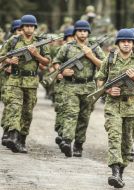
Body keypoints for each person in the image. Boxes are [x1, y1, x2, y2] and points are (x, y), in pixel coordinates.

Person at [96, 28, 134, 188]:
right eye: (123, 41)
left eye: (129, 41)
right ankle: (114, 171)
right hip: (113, 105)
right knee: (114, 137)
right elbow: (100, 80)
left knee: (127, 143)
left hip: (133, 106)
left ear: (133, 43)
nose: (126, 44)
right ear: (118, 43)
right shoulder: (110, 59)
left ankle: (120, 171)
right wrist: (107, 90)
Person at [52, 20, 105, 157]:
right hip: (71, 85)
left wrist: (90, 56)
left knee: (84, 117)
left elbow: (104, 66)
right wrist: (61, 72)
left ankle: (78, 145)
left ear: (88, 33)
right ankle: (67, 141)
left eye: (85, 31)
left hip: (88, 86)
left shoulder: (94, 47)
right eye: (80, 30)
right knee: (71, 113)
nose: (82, 33)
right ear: (75, 32)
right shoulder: (67, 47)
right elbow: (56, 62)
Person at [0, 15, 51, 153]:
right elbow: (2, 57)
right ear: (21, 28)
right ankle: (12, 135)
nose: (29, 28)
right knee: (14, 107)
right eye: (26, 26)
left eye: (32, 26)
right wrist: (9, 61)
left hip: (31, 82)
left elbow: (47, 62)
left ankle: (21, 140)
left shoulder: (40, 42)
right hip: (15, 80)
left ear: (35, 28)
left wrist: (36, 55)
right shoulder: (14, 40)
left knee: (27, 112)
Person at [1, 19, 23, 146]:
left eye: (21, 30)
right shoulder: (8, 44)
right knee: (10, 105)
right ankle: (7, 130)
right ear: (13, 31)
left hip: (22, 80)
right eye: (18, 30)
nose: (20, 32)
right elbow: (2, 59)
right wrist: (7, 63)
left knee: (17, 107)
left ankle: (13, 133)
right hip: (6, 79)